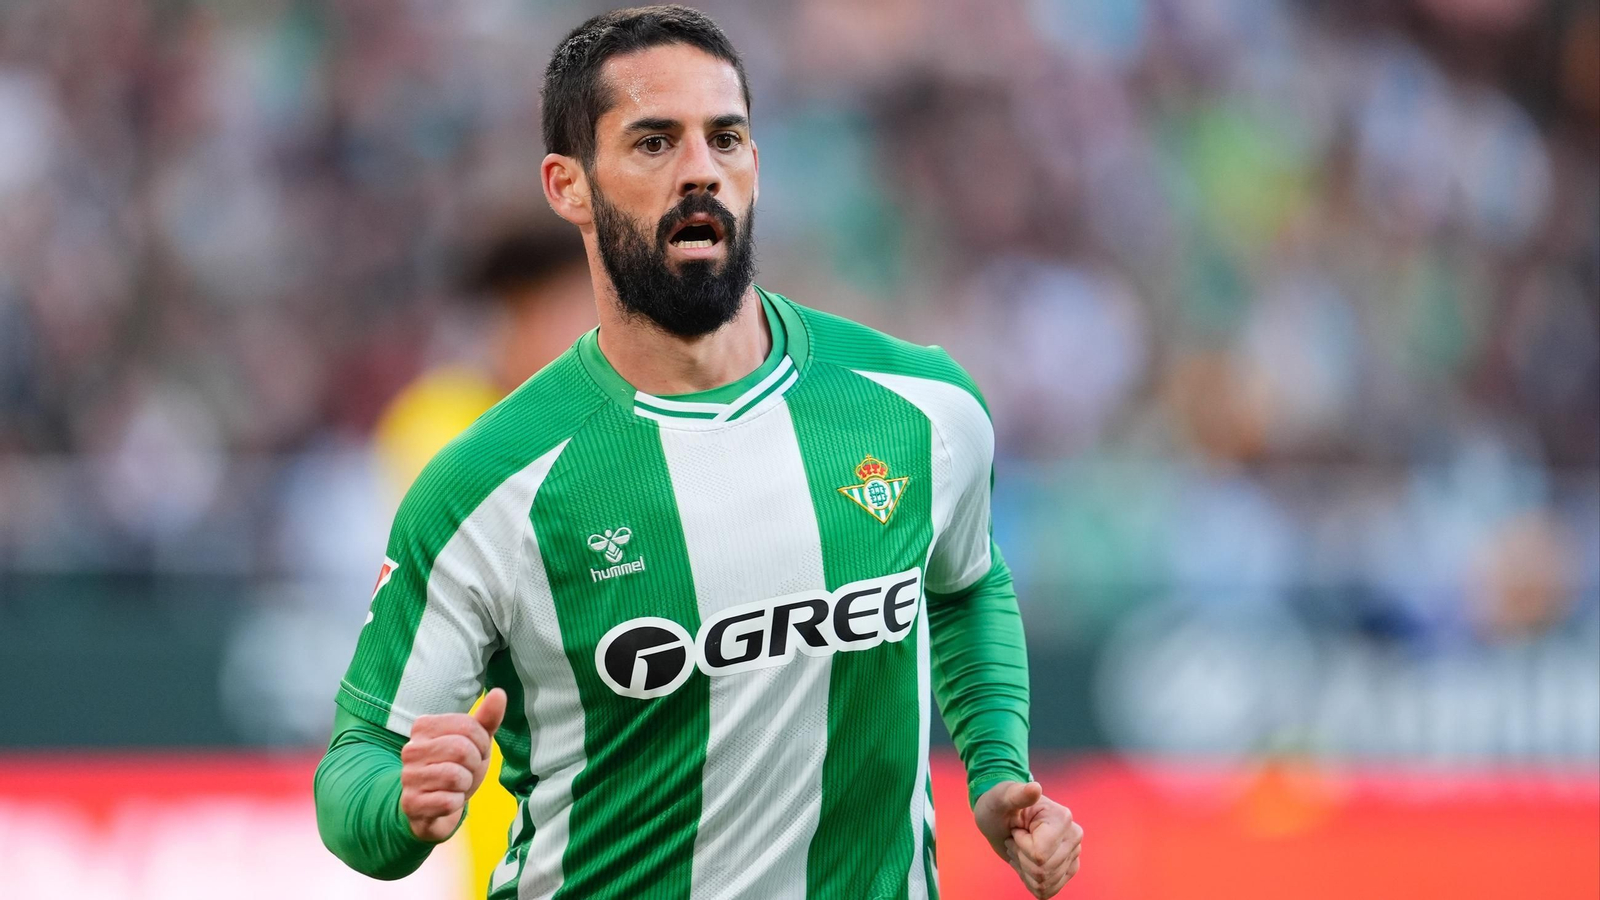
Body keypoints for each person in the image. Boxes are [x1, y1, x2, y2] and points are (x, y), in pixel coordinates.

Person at [314, 7, 1082, 899]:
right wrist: (399, 807)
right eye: (653, 143)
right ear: (569, 186)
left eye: (726, 137)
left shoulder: (920, 406)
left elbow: (965, 580)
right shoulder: (485, 483)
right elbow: (354, 766)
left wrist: (994, 766)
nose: (700, 171)